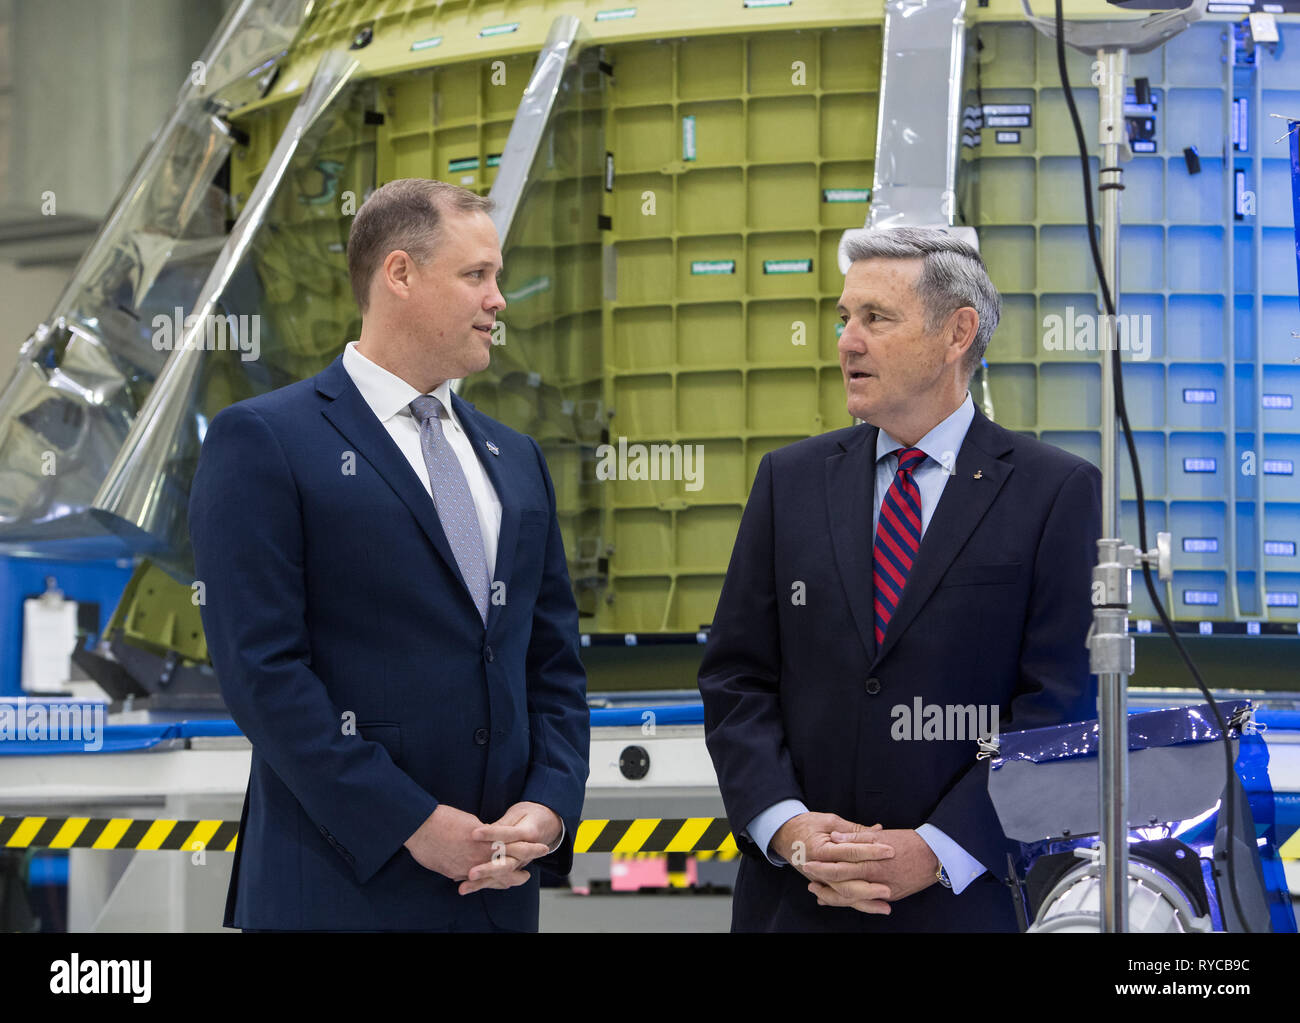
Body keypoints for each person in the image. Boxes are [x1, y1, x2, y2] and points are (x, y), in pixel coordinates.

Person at [189, 178, 590, 932]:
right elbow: (263, 674)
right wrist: (410, 820)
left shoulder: (515, 458)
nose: (499, 299)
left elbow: (552, 662)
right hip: (340, 890)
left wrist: (550, 804)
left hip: (495, 899)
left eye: (497, 277)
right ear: (399, 274)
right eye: (477, 275)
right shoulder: (267, 440)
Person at [697, 227, 1101, 932]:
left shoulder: (1055, 491)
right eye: (843, 318)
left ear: (957, 333)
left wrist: (939, 848)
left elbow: (1058, 707)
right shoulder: (787, 482)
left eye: (875, 319)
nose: (847, 341)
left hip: (965, 903)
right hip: (798, 903)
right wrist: (790, 828)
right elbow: (737, 678)